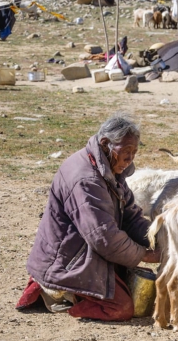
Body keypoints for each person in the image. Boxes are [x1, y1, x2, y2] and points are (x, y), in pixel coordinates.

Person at [16, 113, 160, 321]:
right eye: (126, 152)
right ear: (105, 144)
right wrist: (146, 255)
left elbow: (130, 215)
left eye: (135, 152)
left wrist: (160, 237)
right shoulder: (86, 179)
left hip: (86, 248)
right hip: (67, 257)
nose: (130, 159)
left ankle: (71, 291)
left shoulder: (110, 169)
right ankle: (61, 294)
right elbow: (104, 238)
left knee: (136, 282)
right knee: (122, 307)